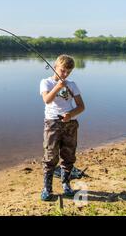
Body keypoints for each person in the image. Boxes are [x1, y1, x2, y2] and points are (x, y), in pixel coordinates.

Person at [39, 54, 85, 201]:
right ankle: (47, 188)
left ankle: (66, 185)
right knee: (50, 156)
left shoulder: (72, 84)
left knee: (69, 156)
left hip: (70, 124)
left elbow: (81, 106)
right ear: (55, 66)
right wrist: (58, 86)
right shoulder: (46, 82)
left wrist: (70, 115)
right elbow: (47, 100)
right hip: (52, 123)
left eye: (68, 72)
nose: (65, 74)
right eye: (63, 70)